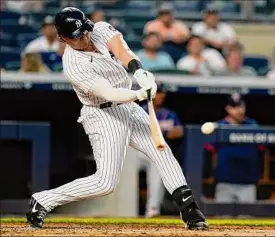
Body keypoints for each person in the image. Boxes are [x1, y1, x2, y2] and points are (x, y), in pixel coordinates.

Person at [26, 7, 208, 231]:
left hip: (129, 107)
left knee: (161, 151)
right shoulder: (73, 64)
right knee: (105, 183)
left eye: (84, 31)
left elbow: (123, 51)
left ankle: (189, 209)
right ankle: (44, 200)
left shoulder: (99, 29)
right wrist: (138, 94)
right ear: (63, 38)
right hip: (102, 114)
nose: (84, 37)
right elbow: (108, 93)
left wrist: (140, 72)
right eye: (77, 36)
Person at [205, 93, 261, 203]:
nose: (238, 110)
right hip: (224, 182)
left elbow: (261, 149)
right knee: (223, 218)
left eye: (241, 106)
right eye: (234, 107)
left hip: (247, 182)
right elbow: (208, 149)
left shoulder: (253, 126)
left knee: (247, 219)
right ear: (227, 108)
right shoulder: (218, 126)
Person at [139, 84, 184, 218]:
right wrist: (162, 131)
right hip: (138, 151)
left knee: (158, 166)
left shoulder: (169, 114)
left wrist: (166, 132)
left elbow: (179, 131)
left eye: (162, 94)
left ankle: (152, 208)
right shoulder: (140, 110)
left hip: (155, 150)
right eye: (158, 93)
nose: (160, 96)